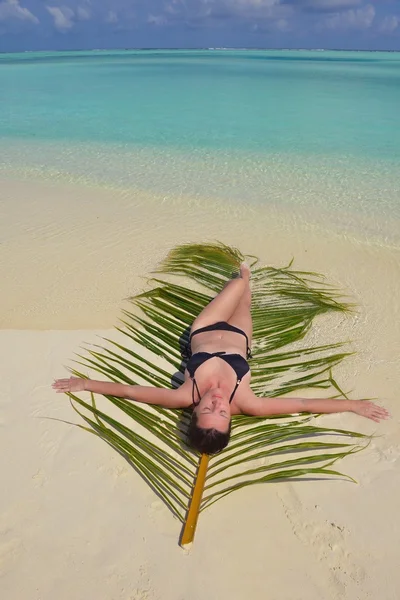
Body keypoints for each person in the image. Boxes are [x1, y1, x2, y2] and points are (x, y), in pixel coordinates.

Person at [53, 263, 389, 454]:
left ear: (193, 413)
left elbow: (130, 391)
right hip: (241, 336)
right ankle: (247, 279)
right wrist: (352, 405)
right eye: (222, 412)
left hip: (206, 327)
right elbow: (302, 402)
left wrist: (85, 383)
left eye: (207, 411)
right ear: (232, 417)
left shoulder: (182, 396)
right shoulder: (249, 403)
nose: (215, 403)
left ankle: (241, 271)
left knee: (238, 282)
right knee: (245, 296)